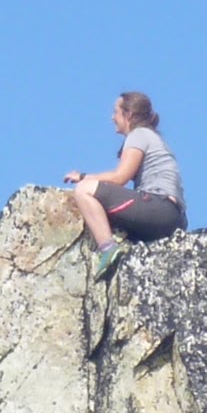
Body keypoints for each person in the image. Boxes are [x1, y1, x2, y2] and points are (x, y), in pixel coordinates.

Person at [64, 90, 185, 277]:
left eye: (116, 112)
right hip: (173, 217)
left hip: (159, 207)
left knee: (84, 191)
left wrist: (83, 177)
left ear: (128, 114)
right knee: (105, 213)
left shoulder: (139, 134)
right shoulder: (151, 137)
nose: (112, 117)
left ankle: (108, 249)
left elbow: (120, 177)